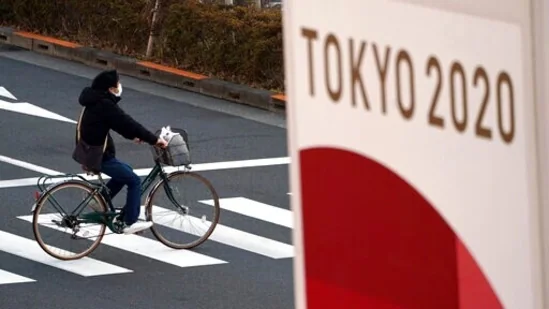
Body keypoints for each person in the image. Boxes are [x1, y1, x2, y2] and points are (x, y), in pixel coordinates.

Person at [77, 69, 168, 234]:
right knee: (133, 181)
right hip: (98, 155)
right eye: (117, 84)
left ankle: (100, 200)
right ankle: (130, 221)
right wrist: (154, 140)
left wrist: (133, 136)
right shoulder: (104, 104)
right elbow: (127, 123)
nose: (119, 86)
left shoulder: (94, 101)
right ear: (110, 88)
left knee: (126, 172)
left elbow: (118, 125)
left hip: (90, 152)